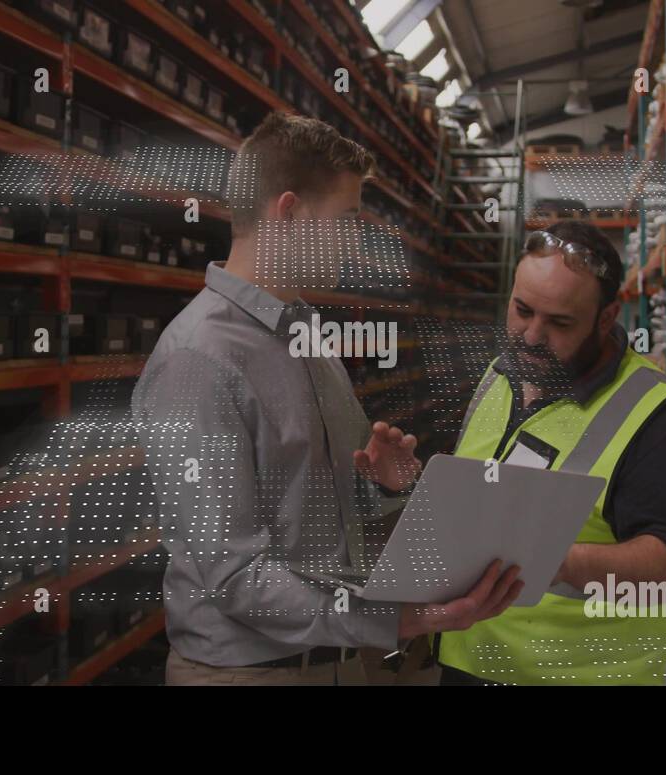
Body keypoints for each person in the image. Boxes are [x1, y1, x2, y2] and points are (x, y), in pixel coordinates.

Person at [131, 112, 522, 686]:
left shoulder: (306, 335)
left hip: (337, 660)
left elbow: (305, 509)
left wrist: (376, 484)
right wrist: (401, 619)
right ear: (288, 213)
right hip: (250, 674)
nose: (356, 240)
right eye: (346, 219)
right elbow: (233, 573)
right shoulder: (198, 360)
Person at [436, 220, 666, 685]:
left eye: (559, 322)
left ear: (606, 319)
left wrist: (561, 560)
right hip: (469, 658)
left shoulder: (659, 419)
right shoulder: (499, 375)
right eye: (522, 310)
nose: (531, 336)